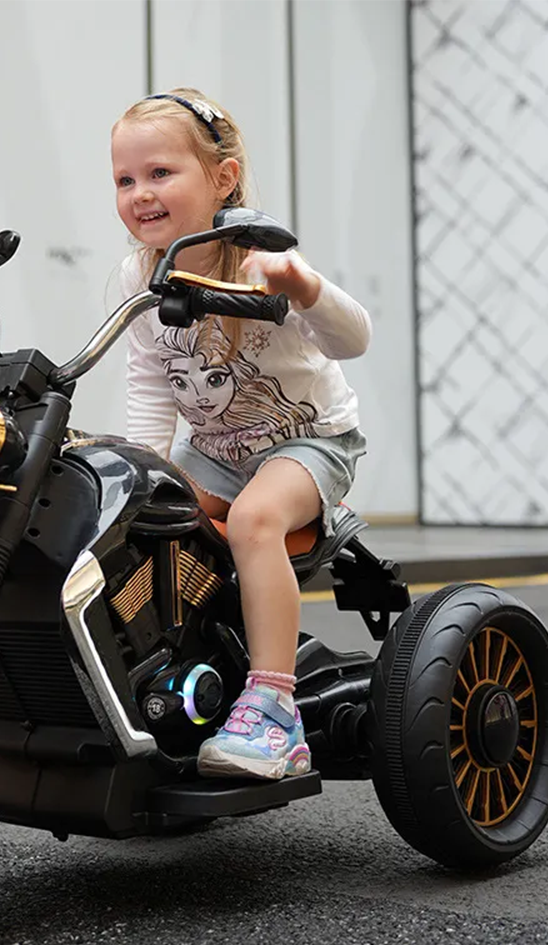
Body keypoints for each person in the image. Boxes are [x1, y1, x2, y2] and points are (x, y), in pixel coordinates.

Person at [111, 87, 372, 780]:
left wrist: (304, 285)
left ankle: (275, 712)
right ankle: (161, 675)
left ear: (222, 179)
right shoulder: (140, 278)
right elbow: (149, 386)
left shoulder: (259, 258)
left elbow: (355, 340)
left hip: (308, 442)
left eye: (161, 173)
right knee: (141, 522)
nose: (141, 193)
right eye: (125, 180)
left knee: (256, 521)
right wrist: (141, 472)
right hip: (215, 453)